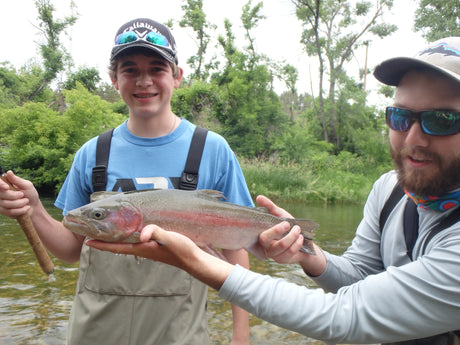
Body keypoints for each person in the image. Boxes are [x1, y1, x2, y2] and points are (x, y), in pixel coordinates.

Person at [87, 37, 460, 345]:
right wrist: (305, 254)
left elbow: (348, 316)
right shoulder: (390, 190)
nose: (413, 138)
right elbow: (362, 276)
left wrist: (200, 262)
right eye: (400, 117)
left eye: (441, 120)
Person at [0, 18, 253, 345]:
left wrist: (241, 334)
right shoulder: (92, 154)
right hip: (96, 332)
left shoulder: (212, 150)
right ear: (114, 79)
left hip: (180, 334)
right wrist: (34, 208)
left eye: (157, 69)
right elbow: (70, 250)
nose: (144, 81)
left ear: (177, 76)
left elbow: (235, 249)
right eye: (130, 69)